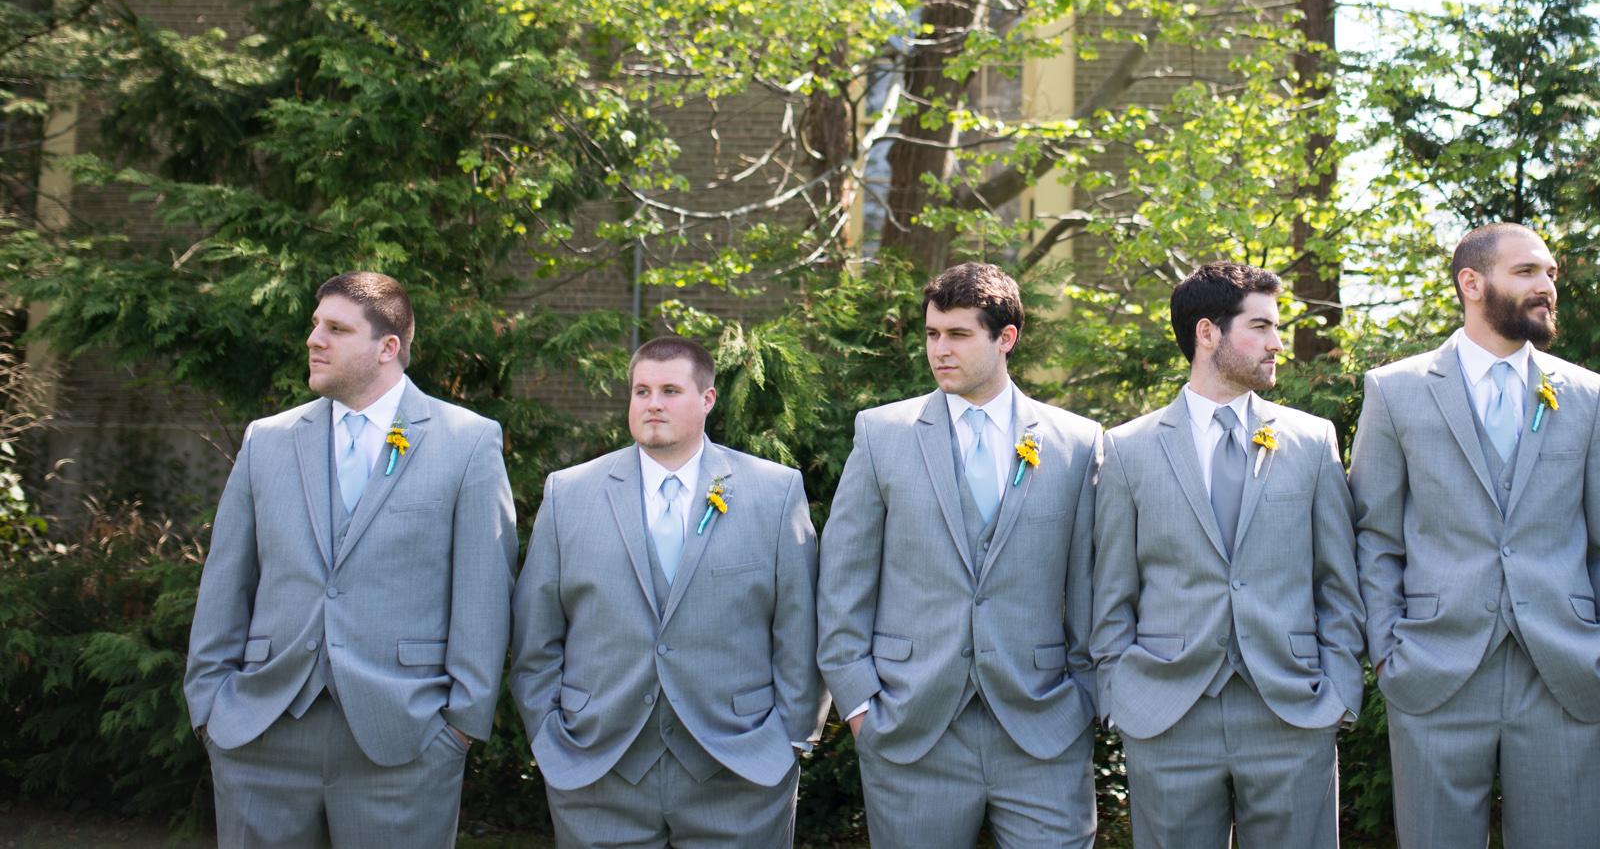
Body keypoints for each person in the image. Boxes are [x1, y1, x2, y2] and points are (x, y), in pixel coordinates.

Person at [185, 272, 516, 849]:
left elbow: (483, 595)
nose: (315, 339)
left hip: (404, 740)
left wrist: (459, 726)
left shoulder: (467, 441)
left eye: (336, 329)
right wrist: (210, 708)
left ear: (388, 347)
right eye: (315, 325)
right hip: (260, 734)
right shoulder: (268, 439)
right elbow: (226, 581)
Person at [1350, 223, 1600, 849]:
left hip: (1567, 671)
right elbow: (1376, 536)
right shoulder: (1396, 390)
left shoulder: (1585, 395)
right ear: (1471, 283)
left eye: (1551, 275)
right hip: (1434, 668)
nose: (1547, 287)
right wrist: (1387, 651)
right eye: (1528, 273)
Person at [816, 262, 1104, 849]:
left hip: (1042, 726)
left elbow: (1097, 584)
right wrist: (859, 703)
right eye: (931, 334)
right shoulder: (882, 434)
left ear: (1006, 339)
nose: (939, 350)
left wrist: (1087, 696)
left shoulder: (1076, 444)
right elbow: (842, 577)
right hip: (911, 726)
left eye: (958, 335)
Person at [509, 335, 826, 849]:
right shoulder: (569, 493)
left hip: (739, 771)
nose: (652, 403)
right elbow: (536, 632)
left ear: (707, 400)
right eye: (641, 391)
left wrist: (788, 740)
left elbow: (799, 625)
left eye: (670, 390)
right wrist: (549, 738)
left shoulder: (773, 492)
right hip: (597, 768)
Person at [1092, 262, 1365, 849]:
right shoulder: (1128, 449)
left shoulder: (1311, 440)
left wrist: (1338, 690)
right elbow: (1111, 591)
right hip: (1167, 717)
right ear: (1207, 334)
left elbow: (1338, 581)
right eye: (1262, 326)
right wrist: (1121, 694)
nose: (1277, 344)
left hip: (1292, 711)